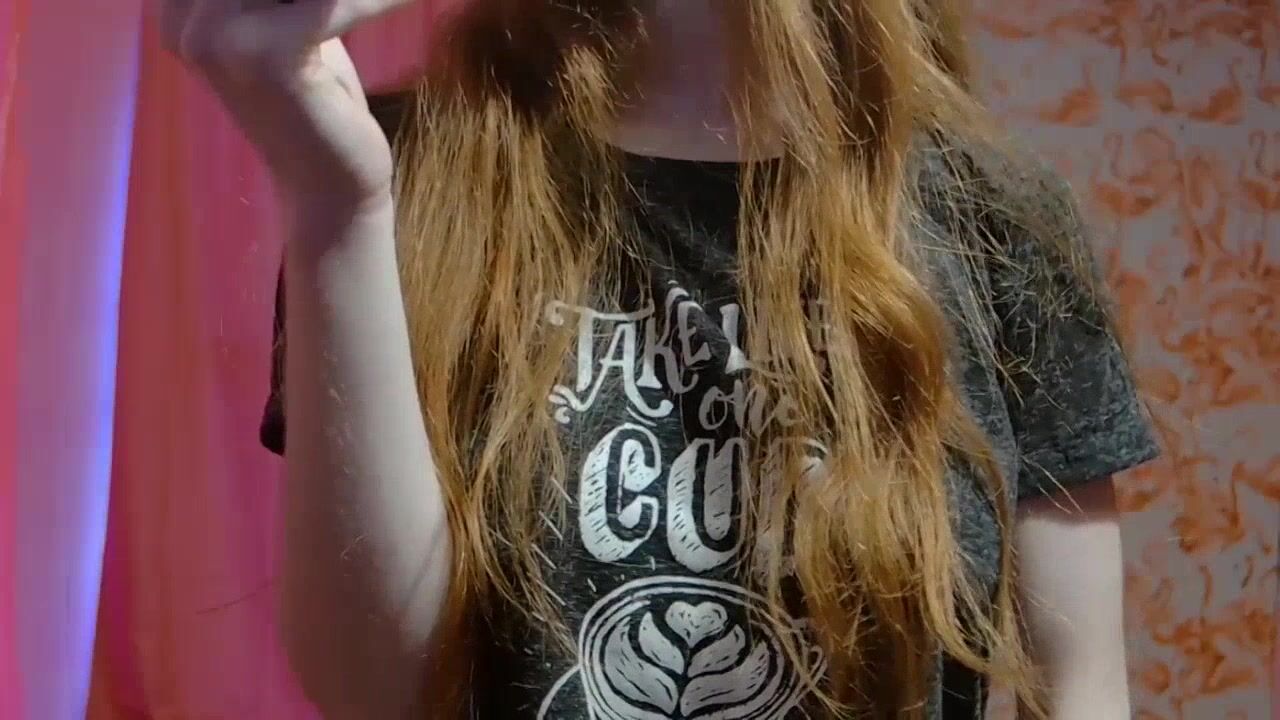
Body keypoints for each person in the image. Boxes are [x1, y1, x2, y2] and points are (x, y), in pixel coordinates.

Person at [156, 1, 1160, 718]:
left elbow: (1082, 693)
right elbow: (378, 695)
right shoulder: (395, 174)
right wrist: (338, 211)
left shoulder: (995, 218)